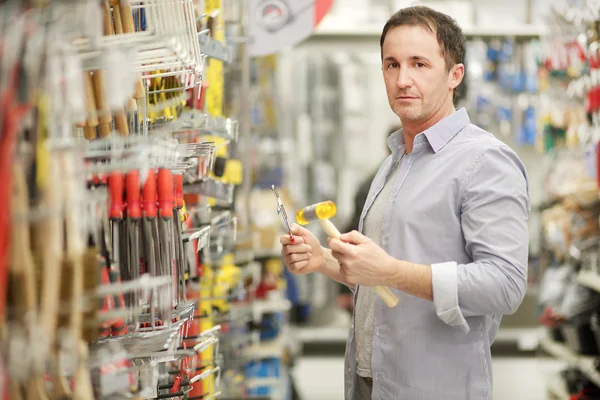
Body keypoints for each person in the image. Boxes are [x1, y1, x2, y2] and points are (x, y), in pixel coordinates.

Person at [280, 5, 529, 400]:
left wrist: (392, 270)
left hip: (430, 387)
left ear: (454, 76)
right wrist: (324, 261)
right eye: (391, 65)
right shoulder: (396, 160)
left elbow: (505, 285)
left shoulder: (484, 161)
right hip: (369, 381)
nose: (403, 79)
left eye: (419, 64)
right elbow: (384, 277)